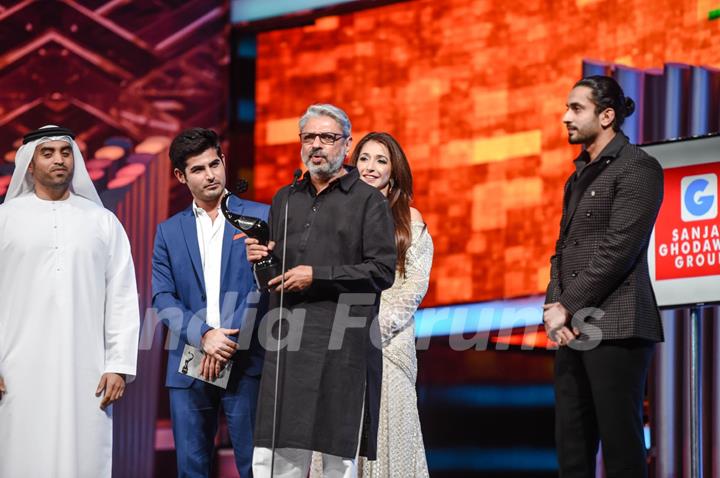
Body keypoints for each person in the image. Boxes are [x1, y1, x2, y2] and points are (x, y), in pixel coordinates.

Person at [246, 104, 397, 478]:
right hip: (286, 341)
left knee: (336, 455)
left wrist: (317, 276)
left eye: (327, 138)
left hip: (341, 342)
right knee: (278, 455)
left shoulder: (369, 201)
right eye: (309, 137)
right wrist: (259, 259)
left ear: (345, 145)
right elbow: (275, 276)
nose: (317, 145)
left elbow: (381, 271)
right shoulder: (284, 199)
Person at [0, 125, 140, 477]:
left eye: (65, 152)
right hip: (16, 370)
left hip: (88, 370)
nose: (58, 160)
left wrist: (119, 365)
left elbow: (122, 295)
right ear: (29, 165)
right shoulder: (5, 221)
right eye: (47, 153)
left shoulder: (102, 221)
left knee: (85, 456)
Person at [544, 76, 664, 477]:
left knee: (621, 445)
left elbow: (619, 249)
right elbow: (562, 250)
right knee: (572, 447)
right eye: (567, 108)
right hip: (573, 328)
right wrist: (553, 306)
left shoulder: (639, 168)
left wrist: (567, 305)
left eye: (576, 109)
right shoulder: (577, 176)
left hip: (618, 326)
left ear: (607, 115)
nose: (565, 117)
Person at [311, 132, 433, 477]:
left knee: (387, 437)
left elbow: (415, 285)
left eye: (381, 160)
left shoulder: (410, 219)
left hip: (388, 345)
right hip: (338, 341)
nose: (371, 167)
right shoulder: (333, 214)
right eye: (364, 158)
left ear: (393, 172)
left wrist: (375, 328)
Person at [152, 128, 268, 478]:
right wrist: (204, 336)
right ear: (180, 176)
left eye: (214, 164)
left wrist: (226, 342)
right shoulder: (168, 232)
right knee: (192, 469)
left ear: (223, 161)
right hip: (190, 366)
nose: (211, 175)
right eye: (198, 169)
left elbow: (265, 288)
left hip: (247, 362)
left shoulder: (260, 216)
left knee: (257, 469)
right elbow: (163, 297)